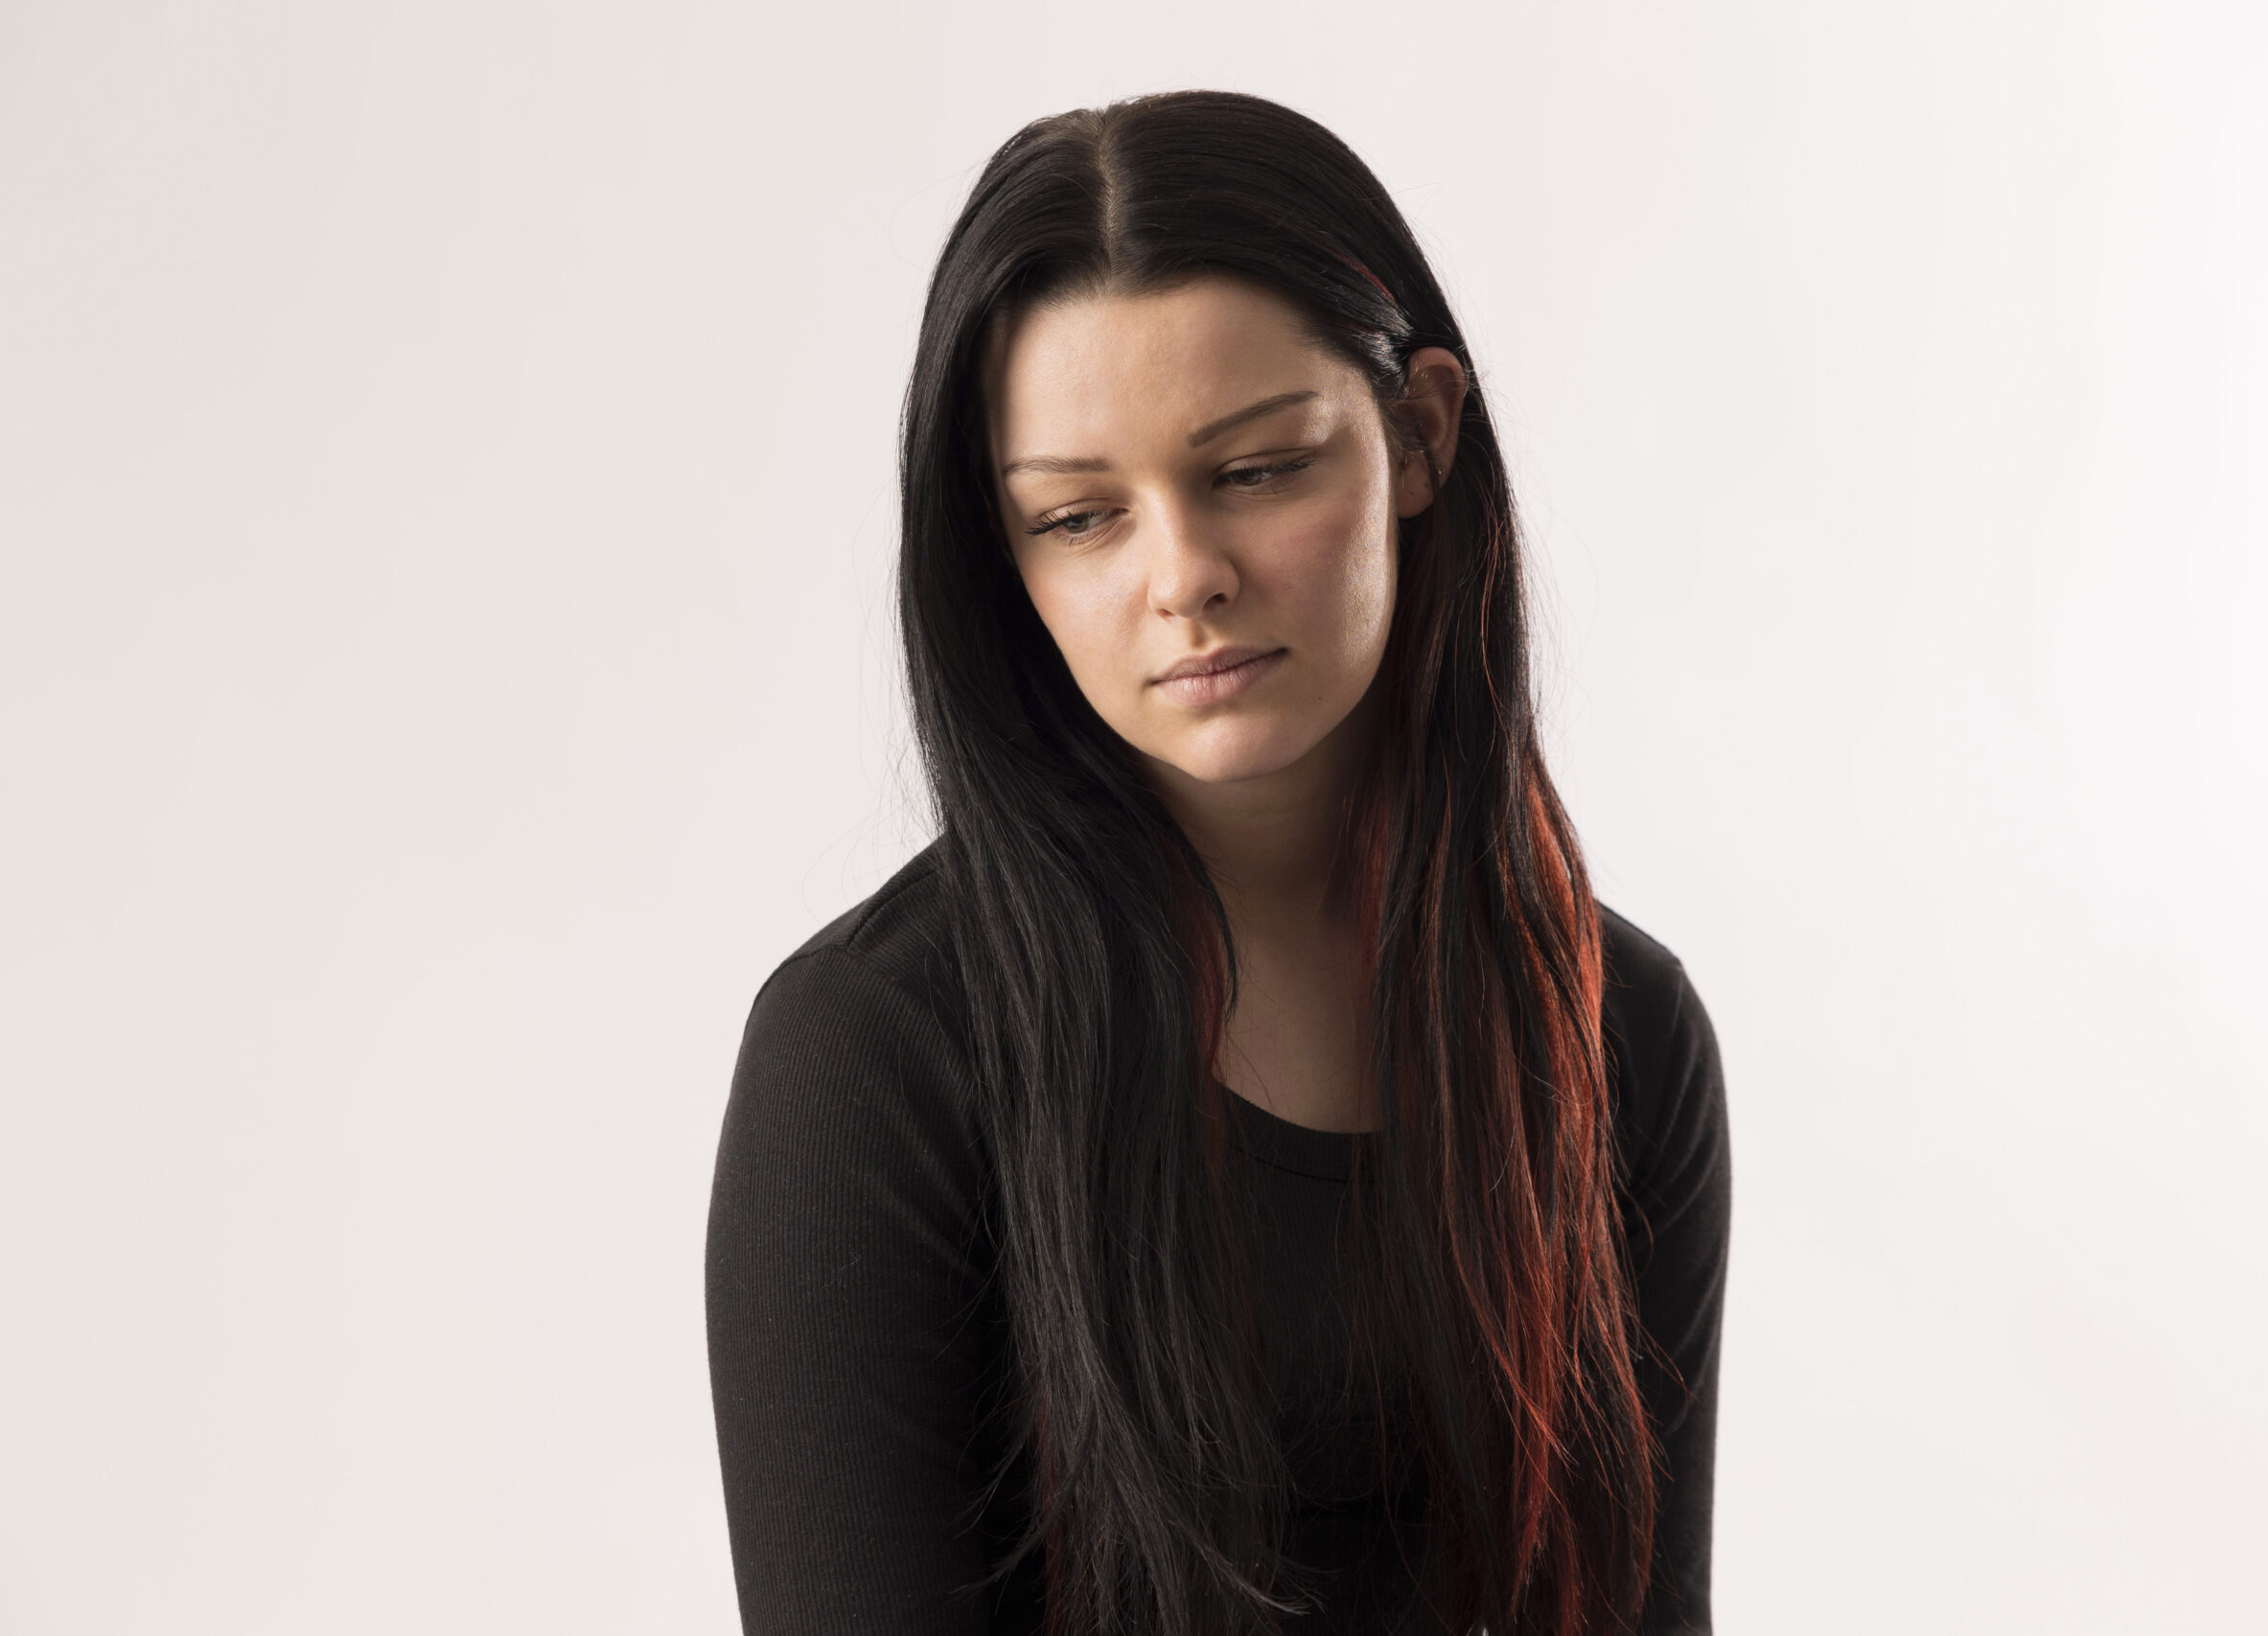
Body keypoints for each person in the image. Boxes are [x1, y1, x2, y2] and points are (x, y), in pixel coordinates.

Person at [705, 90, 1731, 1636]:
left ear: (1418, 435)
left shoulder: (1616, 1032)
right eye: (1079, 516)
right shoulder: (875, 1065)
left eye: (1256, 470)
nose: (1183, 577)